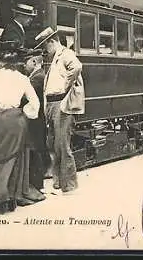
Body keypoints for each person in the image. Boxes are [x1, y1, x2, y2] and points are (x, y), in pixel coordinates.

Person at [0, 40, 41, 214]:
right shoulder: (23, 78)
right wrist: (24, 113)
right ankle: (11, 199)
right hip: (17, 120)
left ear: (0, 59)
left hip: (1, 119)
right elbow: (35, 103)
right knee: (15, 159)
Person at [36, 30, 85, 193]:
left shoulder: (66, 54)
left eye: (45, 45)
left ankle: (69, 184)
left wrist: (66, 87)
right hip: (52, 104)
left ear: (52, 41)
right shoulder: (56, 57)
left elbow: (77, 67)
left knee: (62, 145)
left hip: (61, 104)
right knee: (54, 144)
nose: (44, 50)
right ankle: (58, 182)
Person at [22, 49, 50, 191]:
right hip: (38, 118)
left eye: (26, 62)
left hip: (35, 119)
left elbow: (24, 96)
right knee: (38, 146)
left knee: (36, 147)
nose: (24, 65)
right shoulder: (38, 75)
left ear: (33, 61)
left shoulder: (37, 77)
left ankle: (38, 181)